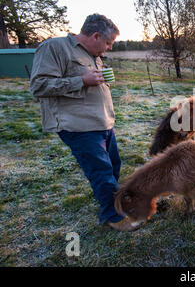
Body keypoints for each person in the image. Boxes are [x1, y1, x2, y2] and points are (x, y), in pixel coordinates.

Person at [30, 14, 142, 231]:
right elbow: (39, 86)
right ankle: (114, 218)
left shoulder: (95, 55)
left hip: (103, 123)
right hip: (79, 126)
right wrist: (81, 80)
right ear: (96, 35)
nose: (109, 48)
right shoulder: (55, 48)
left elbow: (91, 84)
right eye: (108, 43)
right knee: (100, 171)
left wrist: (100, 81)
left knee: (113, 167)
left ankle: (113, 204)